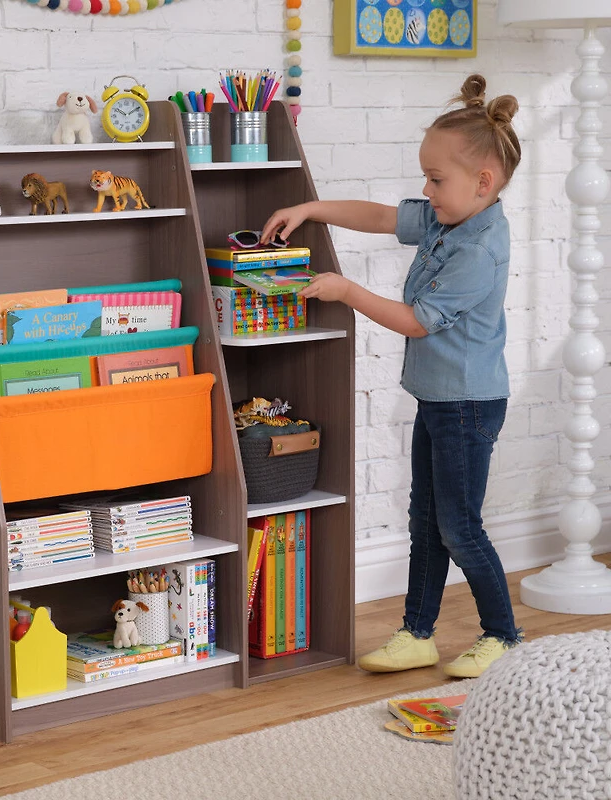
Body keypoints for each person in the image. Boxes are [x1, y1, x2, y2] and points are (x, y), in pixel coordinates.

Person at [260, 74, 523, 678]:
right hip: (438, 398)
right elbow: (379, 216)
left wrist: (346, 290)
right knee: (425, 521)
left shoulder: (477, 248)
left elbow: (417, 323)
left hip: (468, 403)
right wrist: (309, 207)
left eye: (436, 180)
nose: (426, 191)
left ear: (483, 182)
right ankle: (417, 634)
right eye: (425, 178)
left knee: (459, 525)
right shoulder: (446, 217)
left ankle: (502, 635)